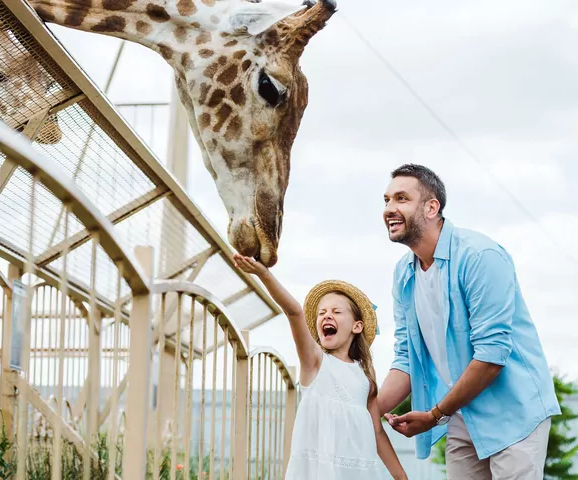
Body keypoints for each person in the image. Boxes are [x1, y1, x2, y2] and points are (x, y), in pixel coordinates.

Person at [377, 163, 560, 479]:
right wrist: (366, 410)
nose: (390, 209)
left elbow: (491, 357)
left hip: (514, 410)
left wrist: (435, 415)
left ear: (432, 207)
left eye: (401, 198)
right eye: (387, 200)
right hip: (462, 412)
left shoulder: (480, 256)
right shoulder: (403, 275)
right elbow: (406, 357)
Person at [233, 254, 407, 480]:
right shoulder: (314, 363)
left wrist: (402, 477)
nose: (327, 316)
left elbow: (376, 431)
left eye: (336, 312)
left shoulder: (365, 375)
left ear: (357, 326)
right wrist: (264, 274)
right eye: (322, 313)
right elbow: (294, 312)